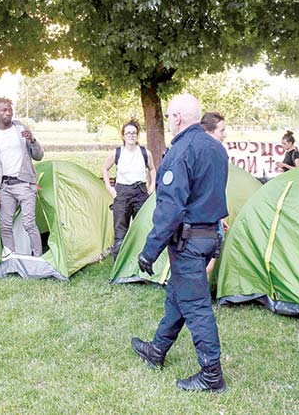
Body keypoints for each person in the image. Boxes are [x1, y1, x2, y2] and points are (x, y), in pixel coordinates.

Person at [131, 94, 229, 393]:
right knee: (178, 294)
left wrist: (150, 250)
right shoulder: (216, 148)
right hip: (208, 235)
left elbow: (170, 208)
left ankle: (212, 373)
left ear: (176, 118)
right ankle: (157, 349)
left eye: (170, 116)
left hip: (189, 240)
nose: (170, 121)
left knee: (196, 306)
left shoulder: (181, 151)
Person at [0, 97, 44, 257]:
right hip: (5, 186)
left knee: (29, 223)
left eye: (10, 109)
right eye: (3, 110)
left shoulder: (20, 128)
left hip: (25, 183)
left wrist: (32, 140)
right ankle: (11, 256)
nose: (7, 113)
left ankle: (37, 257)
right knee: (5, 225)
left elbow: (38, 156)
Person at [102, 121, 156, 260]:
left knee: (142, 228)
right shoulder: (117, 153)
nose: (131, 135)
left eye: (134, 133)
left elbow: (152, 169)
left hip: (140, 192)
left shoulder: (145, 153)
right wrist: (110, 189)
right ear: (123, 136)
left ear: (137, 135)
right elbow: (105, 169)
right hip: (122, 193)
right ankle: (119, 264)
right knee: (120, 230)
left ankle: (141, 262)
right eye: (128, 133)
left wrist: (151, 186)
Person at [200, 112, 230, 275]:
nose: (224, 135)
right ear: (209, 132)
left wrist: (220, 216)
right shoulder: (210, 154)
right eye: (221, 131)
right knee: (206, 264)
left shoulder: (215, 152)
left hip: (210, 218)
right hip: (203, 222)